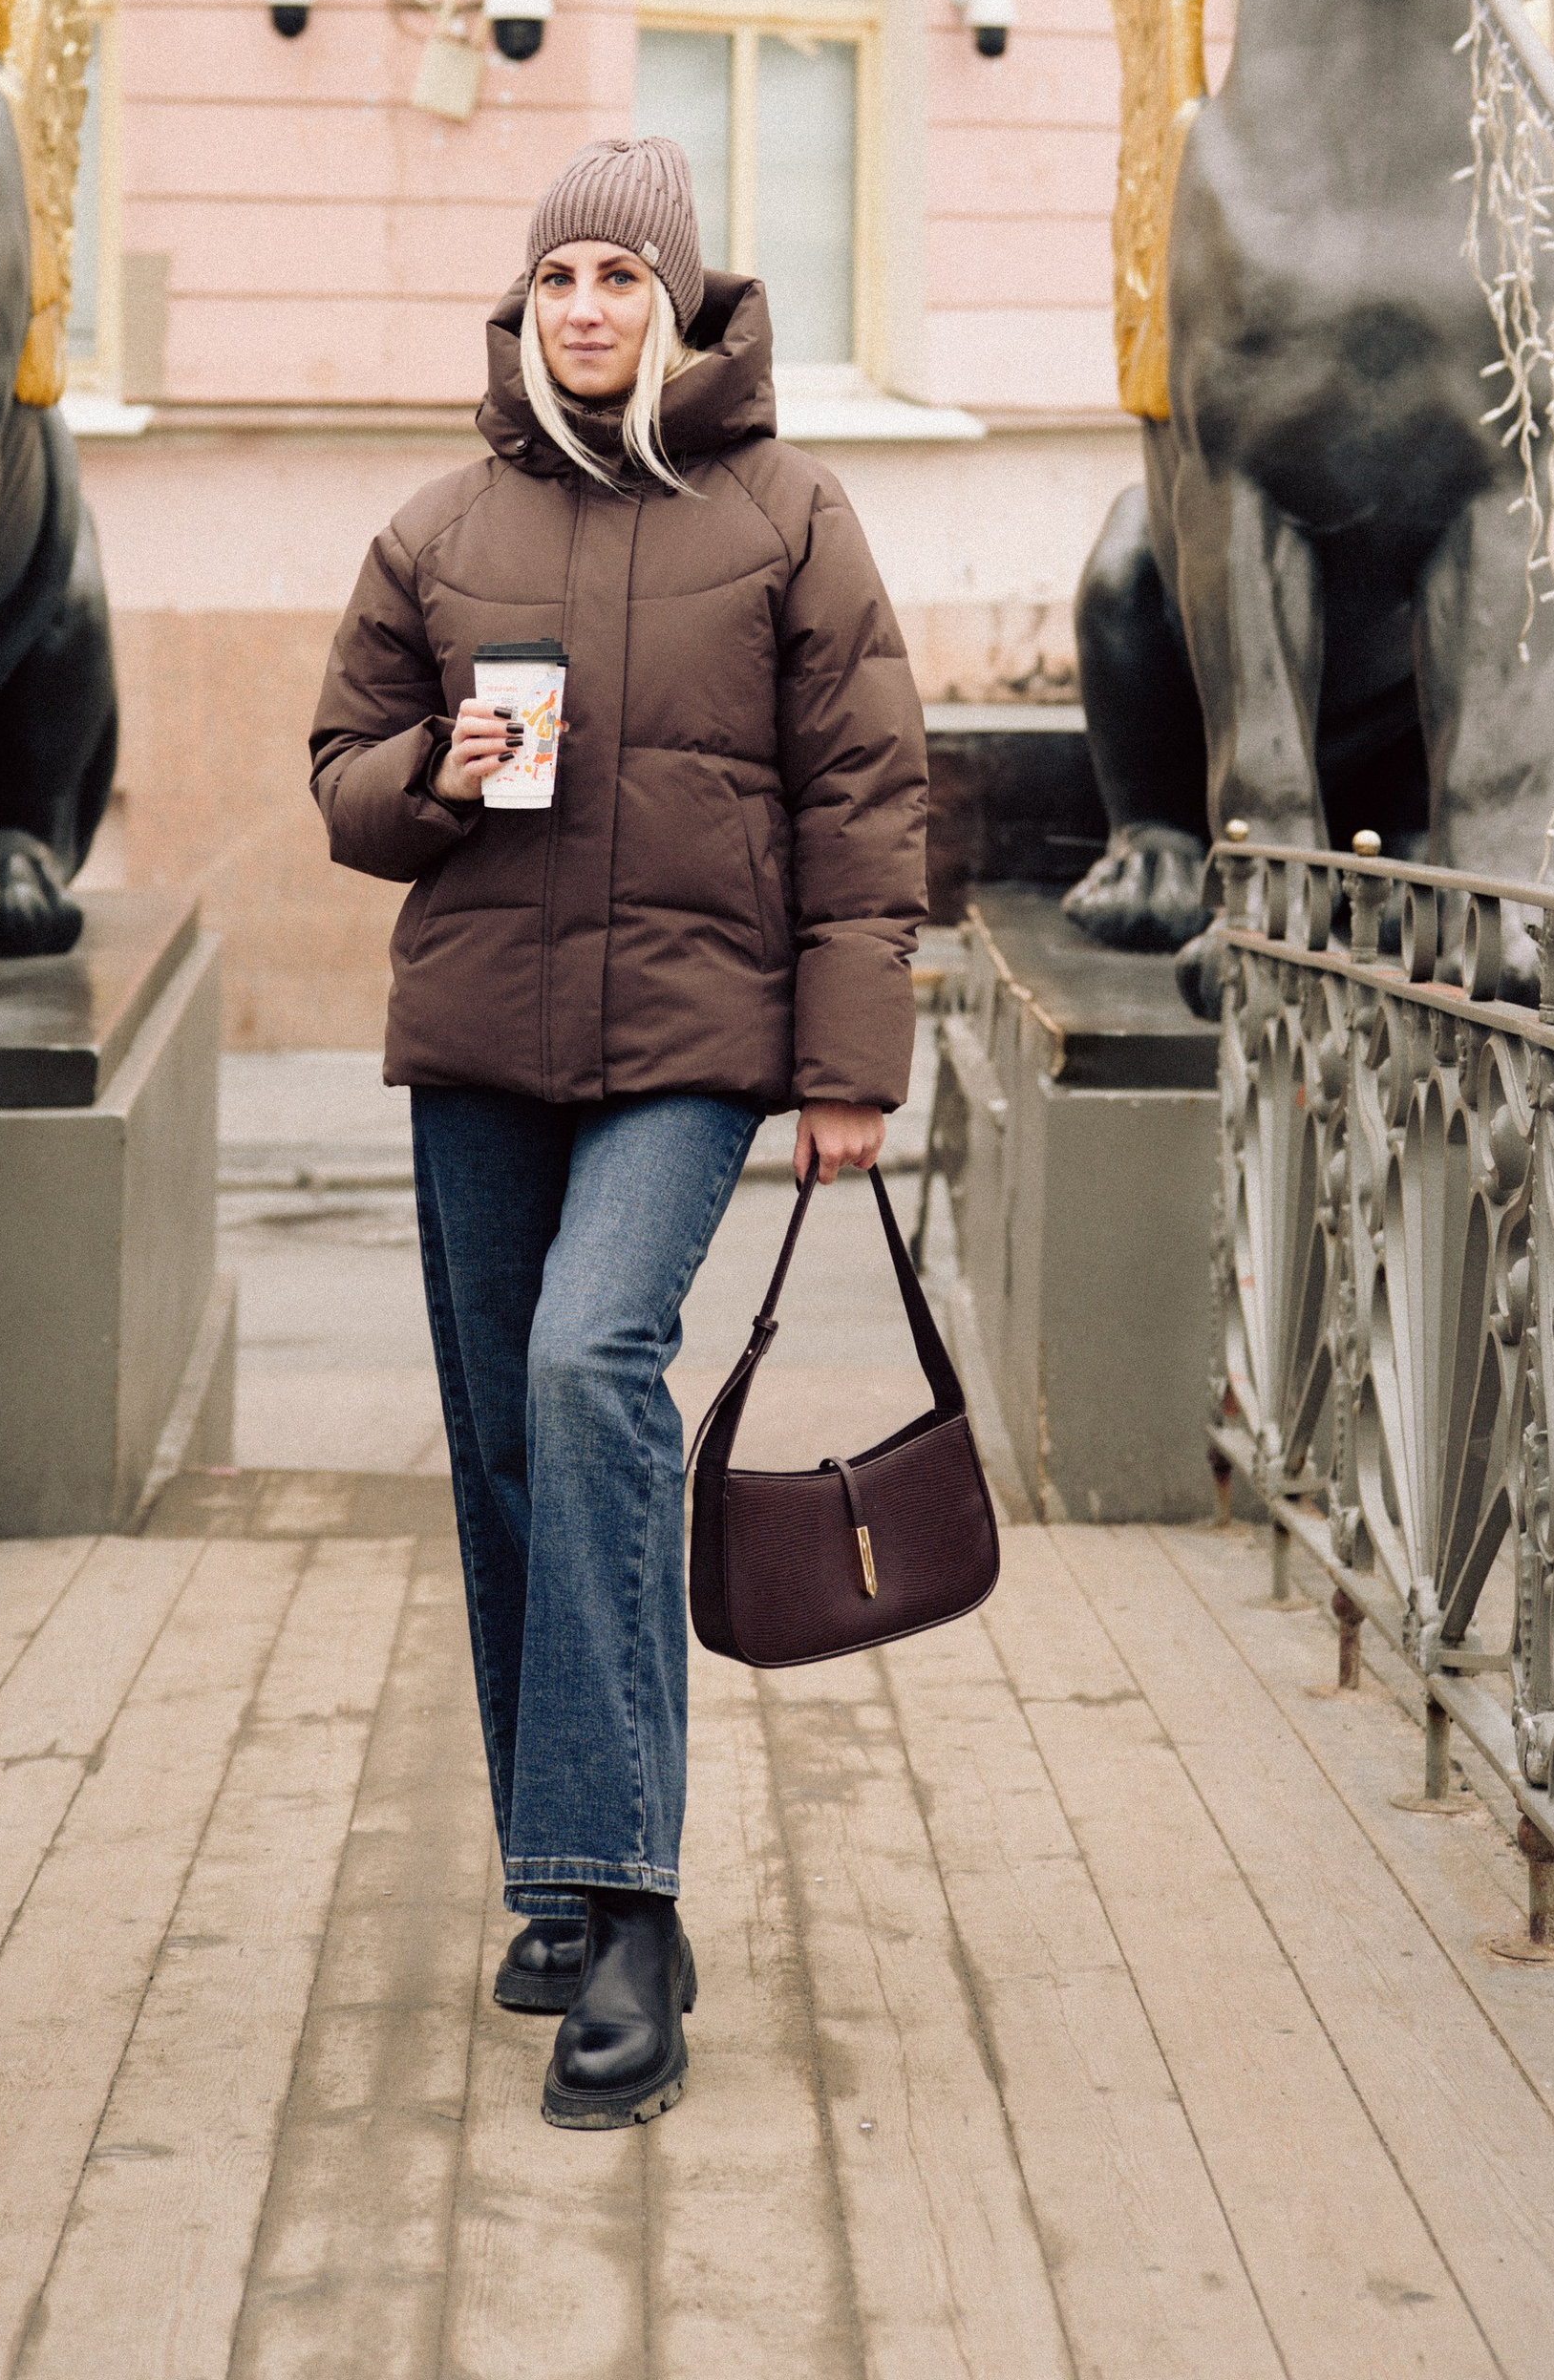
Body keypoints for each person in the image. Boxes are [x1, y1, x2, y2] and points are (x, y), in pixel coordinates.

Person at [310, 133, 927, 2131]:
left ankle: (636, 1906)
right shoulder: (434, 526)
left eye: (619, 276)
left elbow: (864, 798)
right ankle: (554, 1877)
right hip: (480, 1034)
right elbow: (341, 781)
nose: (586, 307)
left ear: (681, 301)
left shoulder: (787, 516)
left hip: (688, 1040)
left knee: (590, 1369)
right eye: (556, 277)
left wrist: (849, 1066)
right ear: (525, 306)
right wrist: (434, 769)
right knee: (502, 1442)